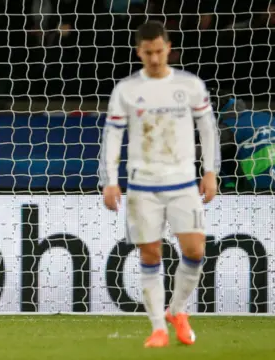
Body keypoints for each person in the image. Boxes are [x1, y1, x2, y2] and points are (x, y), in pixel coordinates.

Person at [99, 20, 220, 348]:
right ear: (139, 51)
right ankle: (157, 328)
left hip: (183, 183)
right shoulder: (126, 90)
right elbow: (113, 136)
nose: (154, 58)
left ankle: (177, 310)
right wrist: (110, 180)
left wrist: (210, 171)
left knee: (195, 250)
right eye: (148, 52)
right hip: (143, 186)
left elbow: (207, 129)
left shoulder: (189, 85)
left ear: (168, 48)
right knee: (151, 254)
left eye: (159, 51)